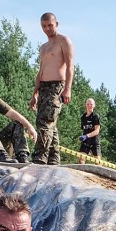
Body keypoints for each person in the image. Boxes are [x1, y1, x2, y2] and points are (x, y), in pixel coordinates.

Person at [30, 12, 74, 165]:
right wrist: (35, 93)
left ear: (56, 24)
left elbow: (70, 66)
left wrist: (67, 88)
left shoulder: (64, 41)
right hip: (43, 87)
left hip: (57, 86)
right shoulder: (43, 47)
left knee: (45, 121)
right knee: (50, 124)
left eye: (50, 25)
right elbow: (40, 71)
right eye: (44, 26)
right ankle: (54, 159)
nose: (47, 28)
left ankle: (39, 158)